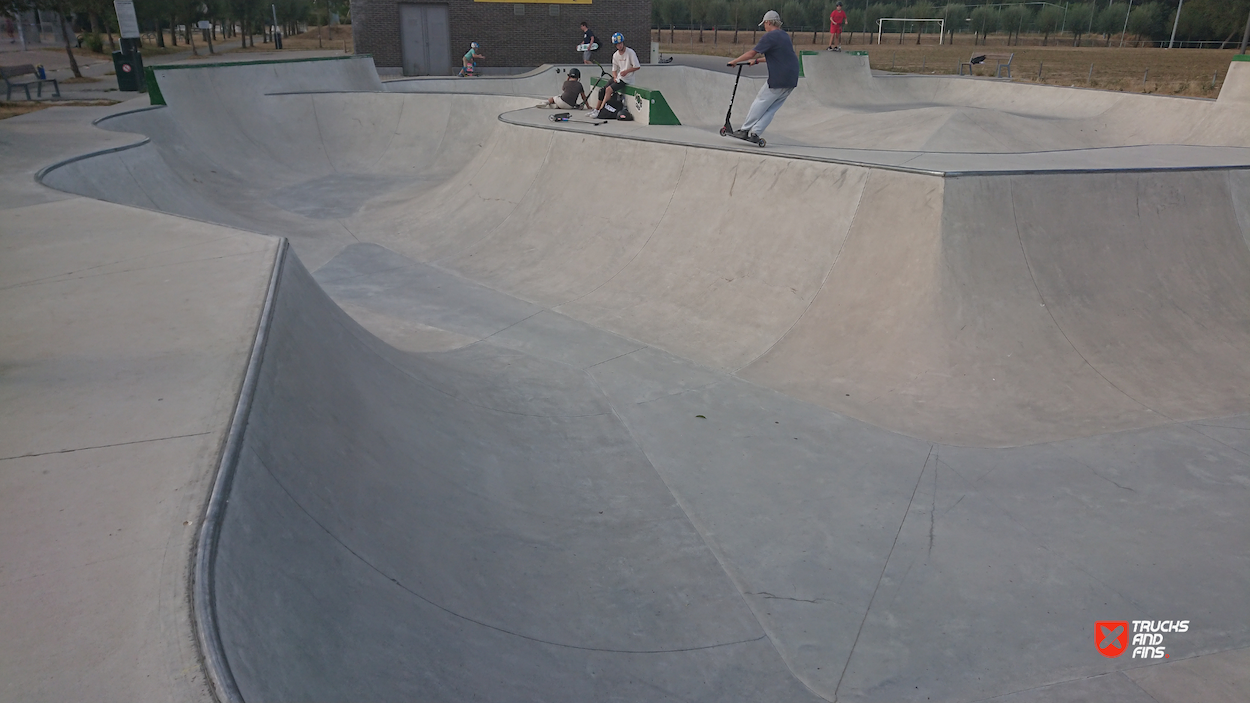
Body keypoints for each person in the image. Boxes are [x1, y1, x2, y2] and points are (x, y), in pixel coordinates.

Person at [727, 10, 798, 144]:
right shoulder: (784, 36)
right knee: (771, 109)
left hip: (779, 78)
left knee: (760, 101)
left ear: (768, 22)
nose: (764, 27)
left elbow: (751, 53)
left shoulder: (770, 36)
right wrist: (758, 61)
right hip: (792, 79)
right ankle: (755, 133)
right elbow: (778, 56)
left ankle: (744, 130)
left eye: (764, 24)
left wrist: (734, 61)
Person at [588, 32, 639, 119]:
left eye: (620, 43)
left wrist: (627, 71)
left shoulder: (630, 52)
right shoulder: (615, 55)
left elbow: (637, 66)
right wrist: (615, 77)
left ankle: (601, 111)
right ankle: (596, 109)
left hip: (627, 79)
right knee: (602, 90)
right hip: (619, 77)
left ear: (623, 42)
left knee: (609, 90)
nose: (619, 46)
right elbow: (614, 69)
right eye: (617, 44)